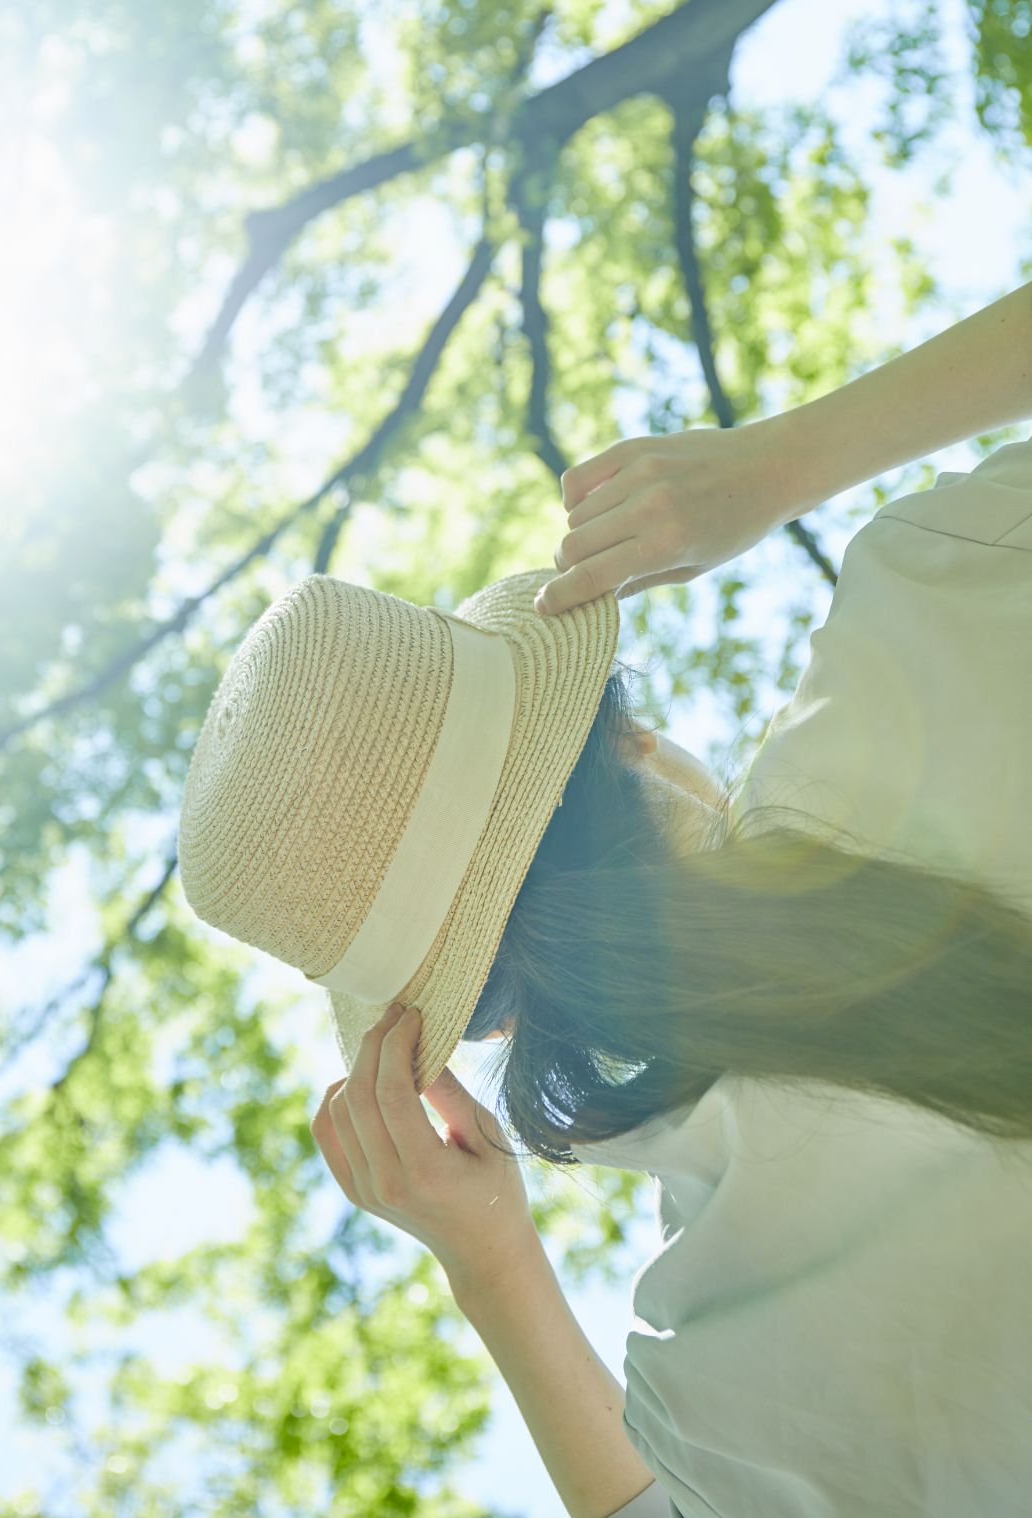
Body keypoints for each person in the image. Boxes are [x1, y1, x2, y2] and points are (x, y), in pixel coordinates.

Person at [176, 279, 1032, 1517]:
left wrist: (493, 1267)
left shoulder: (735, 1371)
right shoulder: (927, 604)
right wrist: (785, 462)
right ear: (624, 743)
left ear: (491, 1019)